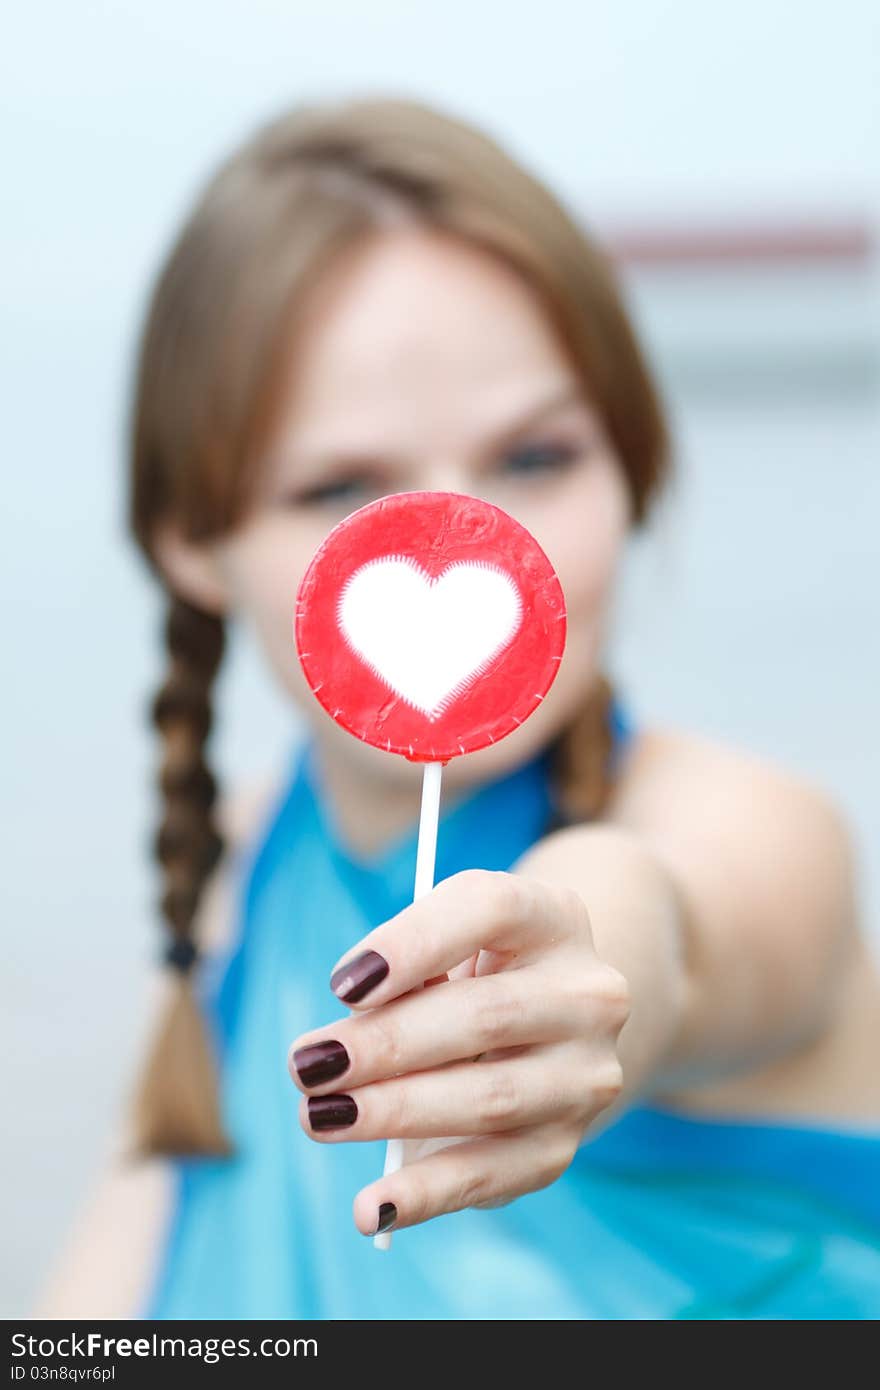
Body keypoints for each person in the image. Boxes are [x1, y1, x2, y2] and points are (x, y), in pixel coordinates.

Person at [35, 96, 880, 1320]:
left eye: (535, 457)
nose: (470, 542)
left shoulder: (762, 831)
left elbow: (666, 927)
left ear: (631, 466)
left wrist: (587, 970)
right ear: (193, 543)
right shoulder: (252, 857)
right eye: (338, 483)